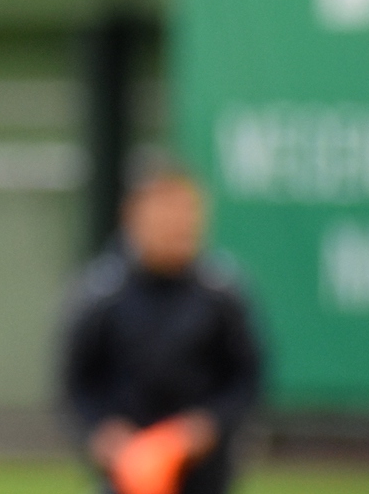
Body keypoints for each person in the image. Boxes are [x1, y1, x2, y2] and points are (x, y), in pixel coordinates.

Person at [60, 169, 264, 494]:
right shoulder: (102, 293)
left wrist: (205, 426)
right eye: (165, 213)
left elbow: (245, 379)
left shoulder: (221, 293)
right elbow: (76, 383)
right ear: (133, 218)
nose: (178, 224)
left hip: (205, 474)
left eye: (187, 213)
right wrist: (104, 434)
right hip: (126, 473)